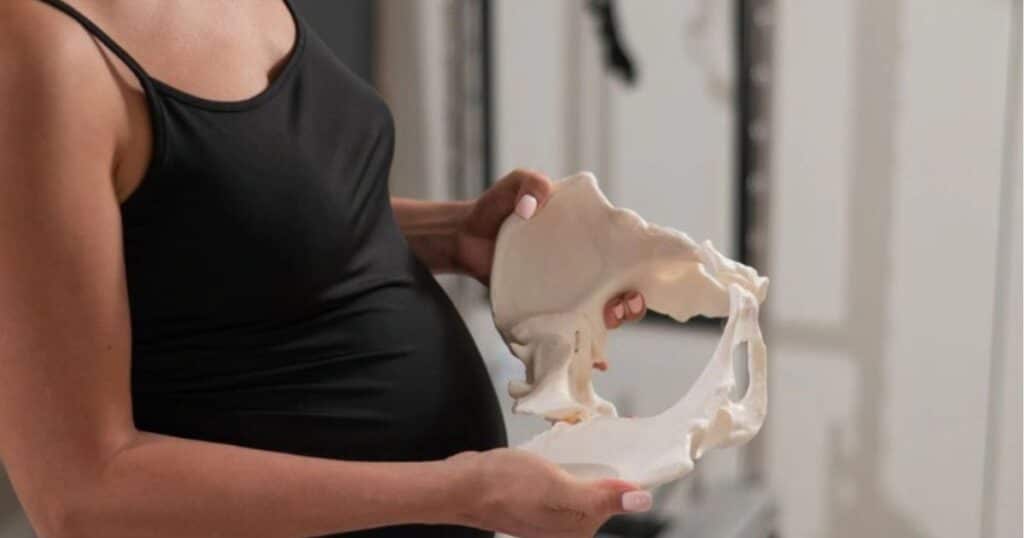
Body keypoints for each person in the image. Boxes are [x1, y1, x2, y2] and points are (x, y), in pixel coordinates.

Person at [0, 1, 652, 536]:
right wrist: (463, 490)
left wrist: (455, 235)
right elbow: (82, 492)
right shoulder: (34, 52)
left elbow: (229, 212)